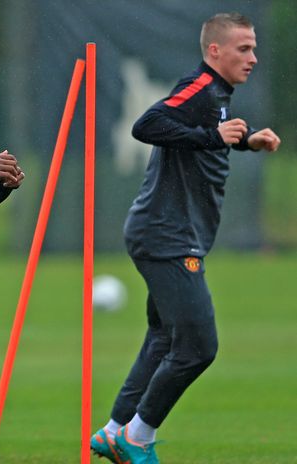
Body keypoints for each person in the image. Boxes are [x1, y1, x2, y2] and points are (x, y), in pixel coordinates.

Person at [90, 12, 280, 464]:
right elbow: (147, 126)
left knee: (164, 337)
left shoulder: (216, 95)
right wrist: (214, 135)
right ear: (214, 51)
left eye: (254, 48)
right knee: (198, 345)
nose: (252, 57)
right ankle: (136, 437)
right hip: (166, 234)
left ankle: (114, 430)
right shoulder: (198, 87)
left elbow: (200, 137)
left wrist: (244, 140)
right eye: (243, 49)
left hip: (171, 232)